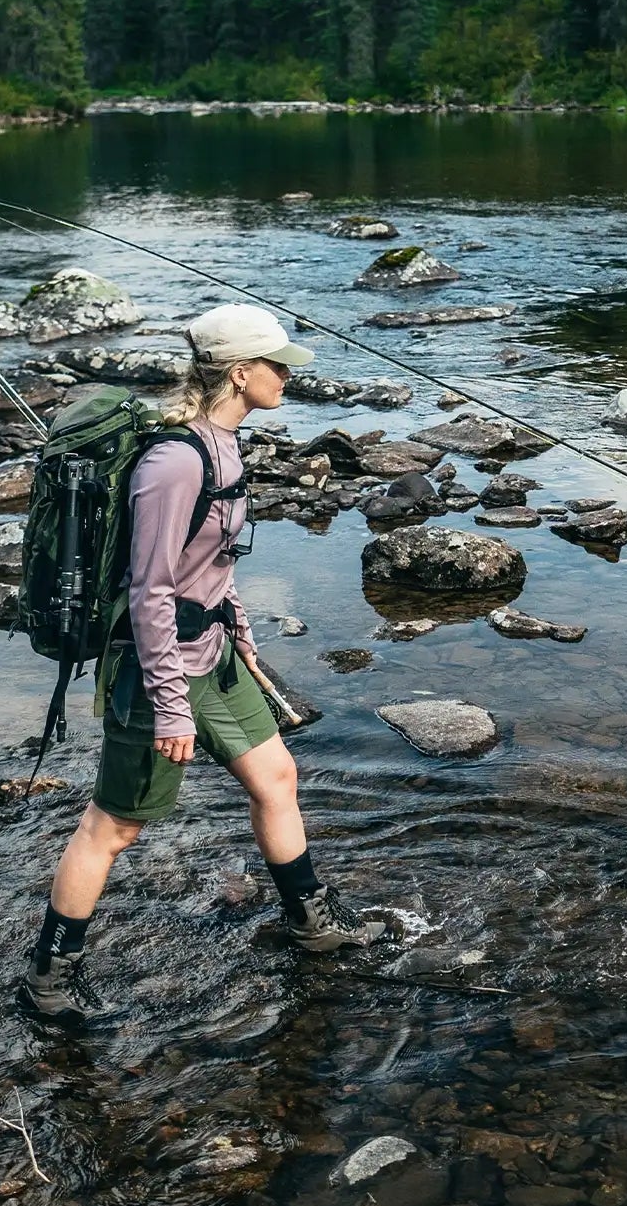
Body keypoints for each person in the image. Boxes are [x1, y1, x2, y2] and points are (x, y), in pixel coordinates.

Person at [23, 302, 376, 1027]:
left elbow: (208, 563)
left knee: (277, 776)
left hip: (211, 651)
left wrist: (238, 625)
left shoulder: (226, 445)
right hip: (157, 668)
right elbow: (148, 588)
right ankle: (50, 976)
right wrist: (171, 702)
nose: (287, 376)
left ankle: (312, 921)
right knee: (114, 827)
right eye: (276, 365)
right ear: (239, 373)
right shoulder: (175, 461)